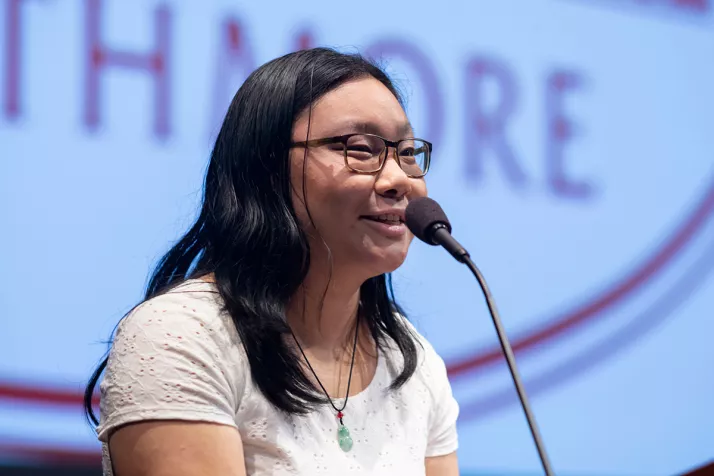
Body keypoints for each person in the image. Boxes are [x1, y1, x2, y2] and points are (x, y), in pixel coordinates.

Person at [84, 46, 460, 476]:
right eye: (360, 148)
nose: (398, 180)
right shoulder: (183, 336)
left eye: (408, 153)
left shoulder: (413, 363)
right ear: (268, 169)